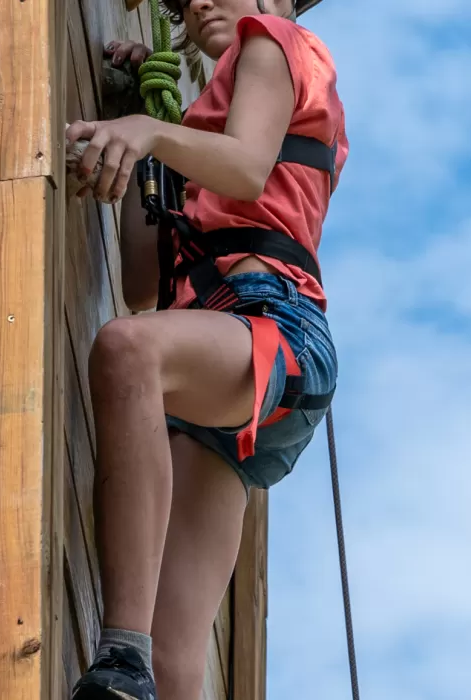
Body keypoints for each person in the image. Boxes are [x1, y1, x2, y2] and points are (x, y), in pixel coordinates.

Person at [63, 0, 345, 698]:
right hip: (227, 375)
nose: (199, 3)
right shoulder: (193, 134)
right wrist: (141, 131)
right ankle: (140, 660)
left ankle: (119, 659)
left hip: (273, 326)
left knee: (129, 352)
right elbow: (137, 279)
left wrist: (150, 131)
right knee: (178, 642)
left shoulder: (275, 40)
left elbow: (249, 169)